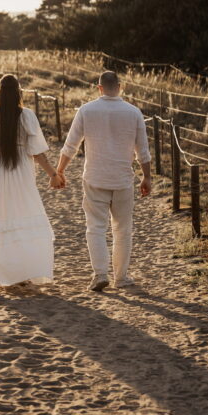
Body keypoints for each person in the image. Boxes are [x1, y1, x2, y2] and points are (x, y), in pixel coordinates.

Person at [57, 70, 151, 292]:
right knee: (122, 230)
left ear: (99, 88)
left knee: (95, 228)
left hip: (95, 178)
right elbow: (143, 151)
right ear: (120, 86)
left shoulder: (86, 110)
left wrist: (59, 171)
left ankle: (100, 273)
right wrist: (146, 177)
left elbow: (71, 145)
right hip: (122, 180)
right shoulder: (133, 112)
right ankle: (121, 277)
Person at [0, 74, 63, 287]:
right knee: (22, 213)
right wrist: (53, 174)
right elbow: (37, 152)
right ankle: (23, 271)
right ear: (19, 92)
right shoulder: (27, 115)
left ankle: (3, 271)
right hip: (21, 170)